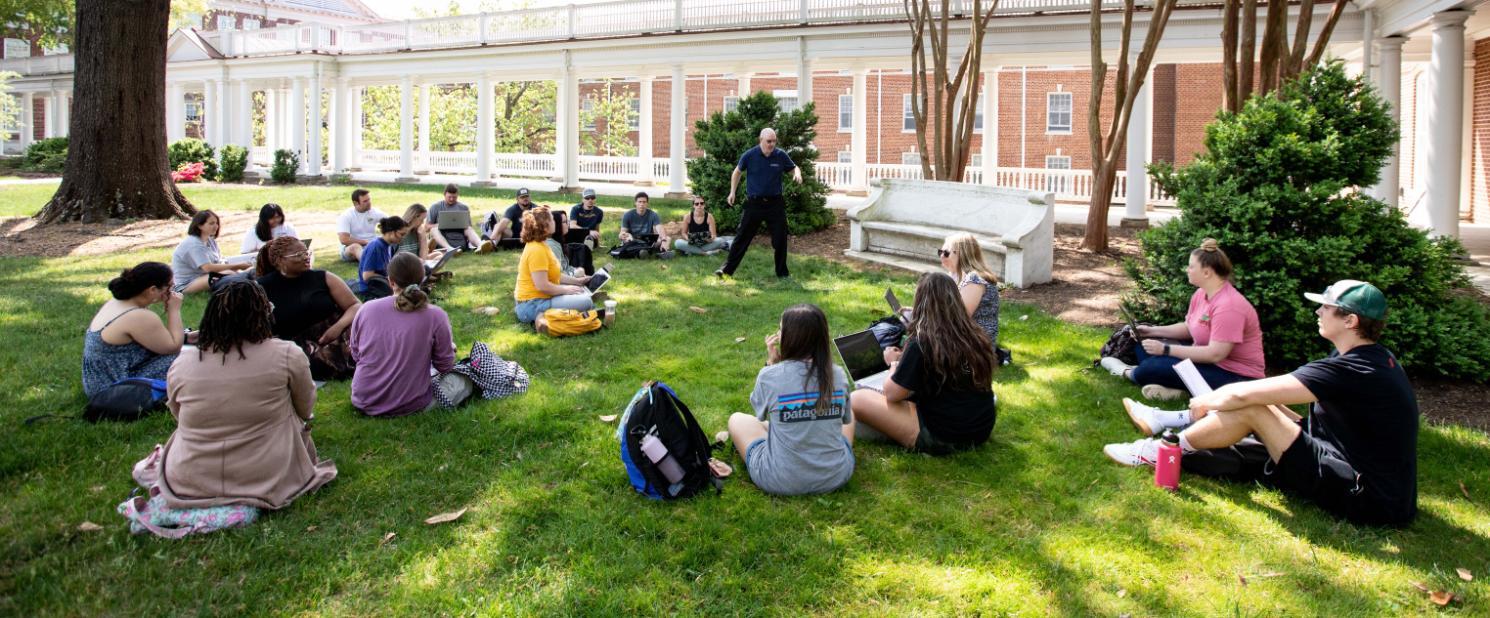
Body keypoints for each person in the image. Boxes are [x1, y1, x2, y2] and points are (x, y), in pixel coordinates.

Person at [1103, 280, 1419, 527]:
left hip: (1366, 496)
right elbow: (1267, 394)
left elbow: (1245, 397)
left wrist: (1207, 401)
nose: (1318, 312)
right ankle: (1165, 422)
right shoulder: (1370, 357)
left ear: (1350, 320)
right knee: (1256, 399)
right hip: (1361, 474)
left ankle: (1157, 452)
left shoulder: (1351, 368)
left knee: (1250, 403)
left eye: (1326, 308)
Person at [157, 279, 337, 510]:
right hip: (268, 473)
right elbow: (305, 407)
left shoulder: (184, 362)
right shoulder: (286, 353)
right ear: (264, 314)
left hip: (189, 476)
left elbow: (178, 413)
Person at [1099, 239, 1265, 400]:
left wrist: (1166, 350)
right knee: (1144, 345)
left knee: (1153, 366)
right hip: (1207, 361)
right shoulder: (1201, 294)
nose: (1187, 269)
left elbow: (1215, 354)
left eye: (1191, 266)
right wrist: (1152, 331)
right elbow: (1189, 327)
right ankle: (1183, 389)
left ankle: (1126, 372)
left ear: (1207, 272)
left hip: (1236, 376)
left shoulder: (1229, 306)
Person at [851, 272, 998, 455]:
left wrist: (893, 364)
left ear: (920, 302)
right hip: (981, 428)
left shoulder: (923, 340)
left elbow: (892, 393)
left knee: (857, 397)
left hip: (945, 435)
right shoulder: (976, 335)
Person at [726, 304, 855, 496]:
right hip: (835, 476)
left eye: (780, 329)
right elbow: (845, 421)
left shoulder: (770, 376)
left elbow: (759, 413)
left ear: (790, 337)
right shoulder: (837, 374)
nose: (778, 333)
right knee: (849, 410)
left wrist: (770, 365)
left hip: (779, 479)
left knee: (737, 419)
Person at [349, 253, 475, 416]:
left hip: (364, 399)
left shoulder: (366, 308)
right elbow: (445, 366)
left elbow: (356, 354)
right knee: (464, 380)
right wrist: (447, 350)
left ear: (391, 281)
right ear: (423, 279)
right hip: (410, 404)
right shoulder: (435, 315)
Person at [255, 237, 362, 380]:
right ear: (279, 260)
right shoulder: (261, 287)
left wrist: (337, 327)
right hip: (294, 346)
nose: (306, 257)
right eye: (298, 255)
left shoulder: (323, 277)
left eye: (307, 253)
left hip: (338, 335)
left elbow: (355, 305)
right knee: (311, 366)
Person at [83, 263, 184, 398]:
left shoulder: (117, 303)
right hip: (118, 388)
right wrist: (174, 310)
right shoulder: (138, 315)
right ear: (153, 290)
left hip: (98, 383)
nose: (172, 291)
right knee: (189, 356)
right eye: (169, 286)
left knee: (191, 347)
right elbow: (174, 347)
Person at [717, 127, 802, 279]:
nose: (772, 144)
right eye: (769, 141)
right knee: (741, 238)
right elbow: (737, 172)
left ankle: (782, 274)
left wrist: (797, 174)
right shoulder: (750, 155)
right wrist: (732, 192)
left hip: (775, 204)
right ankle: (726, 270)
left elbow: (794, 168)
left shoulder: (780, 155)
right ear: (761, 140)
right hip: (754, 204)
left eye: (774, 141)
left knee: (780, 239)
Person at [513, 206, 594, 333]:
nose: (554, 222)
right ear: (544, 226)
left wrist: (578, 282)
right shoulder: (536, 250)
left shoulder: (542, 244)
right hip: (532, 304)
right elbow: (542, 286)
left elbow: (555, 275)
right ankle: (543, 318)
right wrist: (566, 289)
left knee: (583, 293)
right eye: (552, 219)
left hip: (541, 299)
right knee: (586, 301)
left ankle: (551, 317)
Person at [939, 232, 1000, 348]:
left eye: (946, 253)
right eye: (940, 252)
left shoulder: (974, 279)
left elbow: (959, 317)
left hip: (973, 345)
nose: (942, 256)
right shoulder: (954, 276)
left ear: (962, 254)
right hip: (960, 336)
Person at [171, 210, 251, 294]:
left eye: (216, 223)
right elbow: (208, 268)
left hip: (204, 277)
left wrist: (237, 267)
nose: (216, 226)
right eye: (211, 223)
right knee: (229, 273)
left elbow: (219, 261)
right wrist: (237, 266)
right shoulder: (194, 244)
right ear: (199, 225)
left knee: (240, 273)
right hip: (186, 285)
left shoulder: (209, 240)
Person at [428, 183, 492, 253]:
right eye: (449, 197)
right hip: (443, 238)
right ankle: (449, 249)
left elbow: (469, 226)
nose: (452, 199)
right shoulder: (435, 207)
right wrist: (440, 224)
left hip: (459, 237)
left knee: (469, 228)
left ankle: (480, 245)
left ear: (458, 195)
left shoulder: (463, 208)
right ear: (444, 194)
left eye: (454, 197)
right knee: (433, 229)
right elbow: (426, 227)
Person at [355, 217, 408, 298]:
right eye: (402, 234)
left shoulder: (389, 245)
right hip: (371, 288)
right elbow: (367, 275)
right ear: (391, 231)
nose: (403, 238)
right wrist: (390, 279)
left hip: (384, 283)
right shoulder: (376, 246)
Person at [617, 192, 672, 258]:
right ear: (635, 203)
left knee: (667, 238)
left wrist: (663, 240)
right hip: (633, 240)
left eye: (644, 202)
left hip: (648, 240)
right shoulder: (628, 214)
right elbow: (623, 231)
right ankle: (643, 252)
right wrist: (622, 235)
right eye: (639, 202)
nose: (642, 204)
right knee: (627, 239)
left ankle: (663, 253)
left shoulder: (653, 214)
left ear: (647, 204)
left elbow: (660, 228)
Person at [337, 188, 386, 262]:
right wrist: (365, 242)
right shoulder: (346, 216)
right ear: (356, 203)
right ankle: (368, 263)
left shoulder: (375, 212)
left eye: (369, 199)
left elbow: (391, 222)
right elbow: (344, 240)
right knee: (355, 247)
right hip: (350, 248)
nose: (369, 202)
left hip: (372, 245)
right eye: (365, 201)